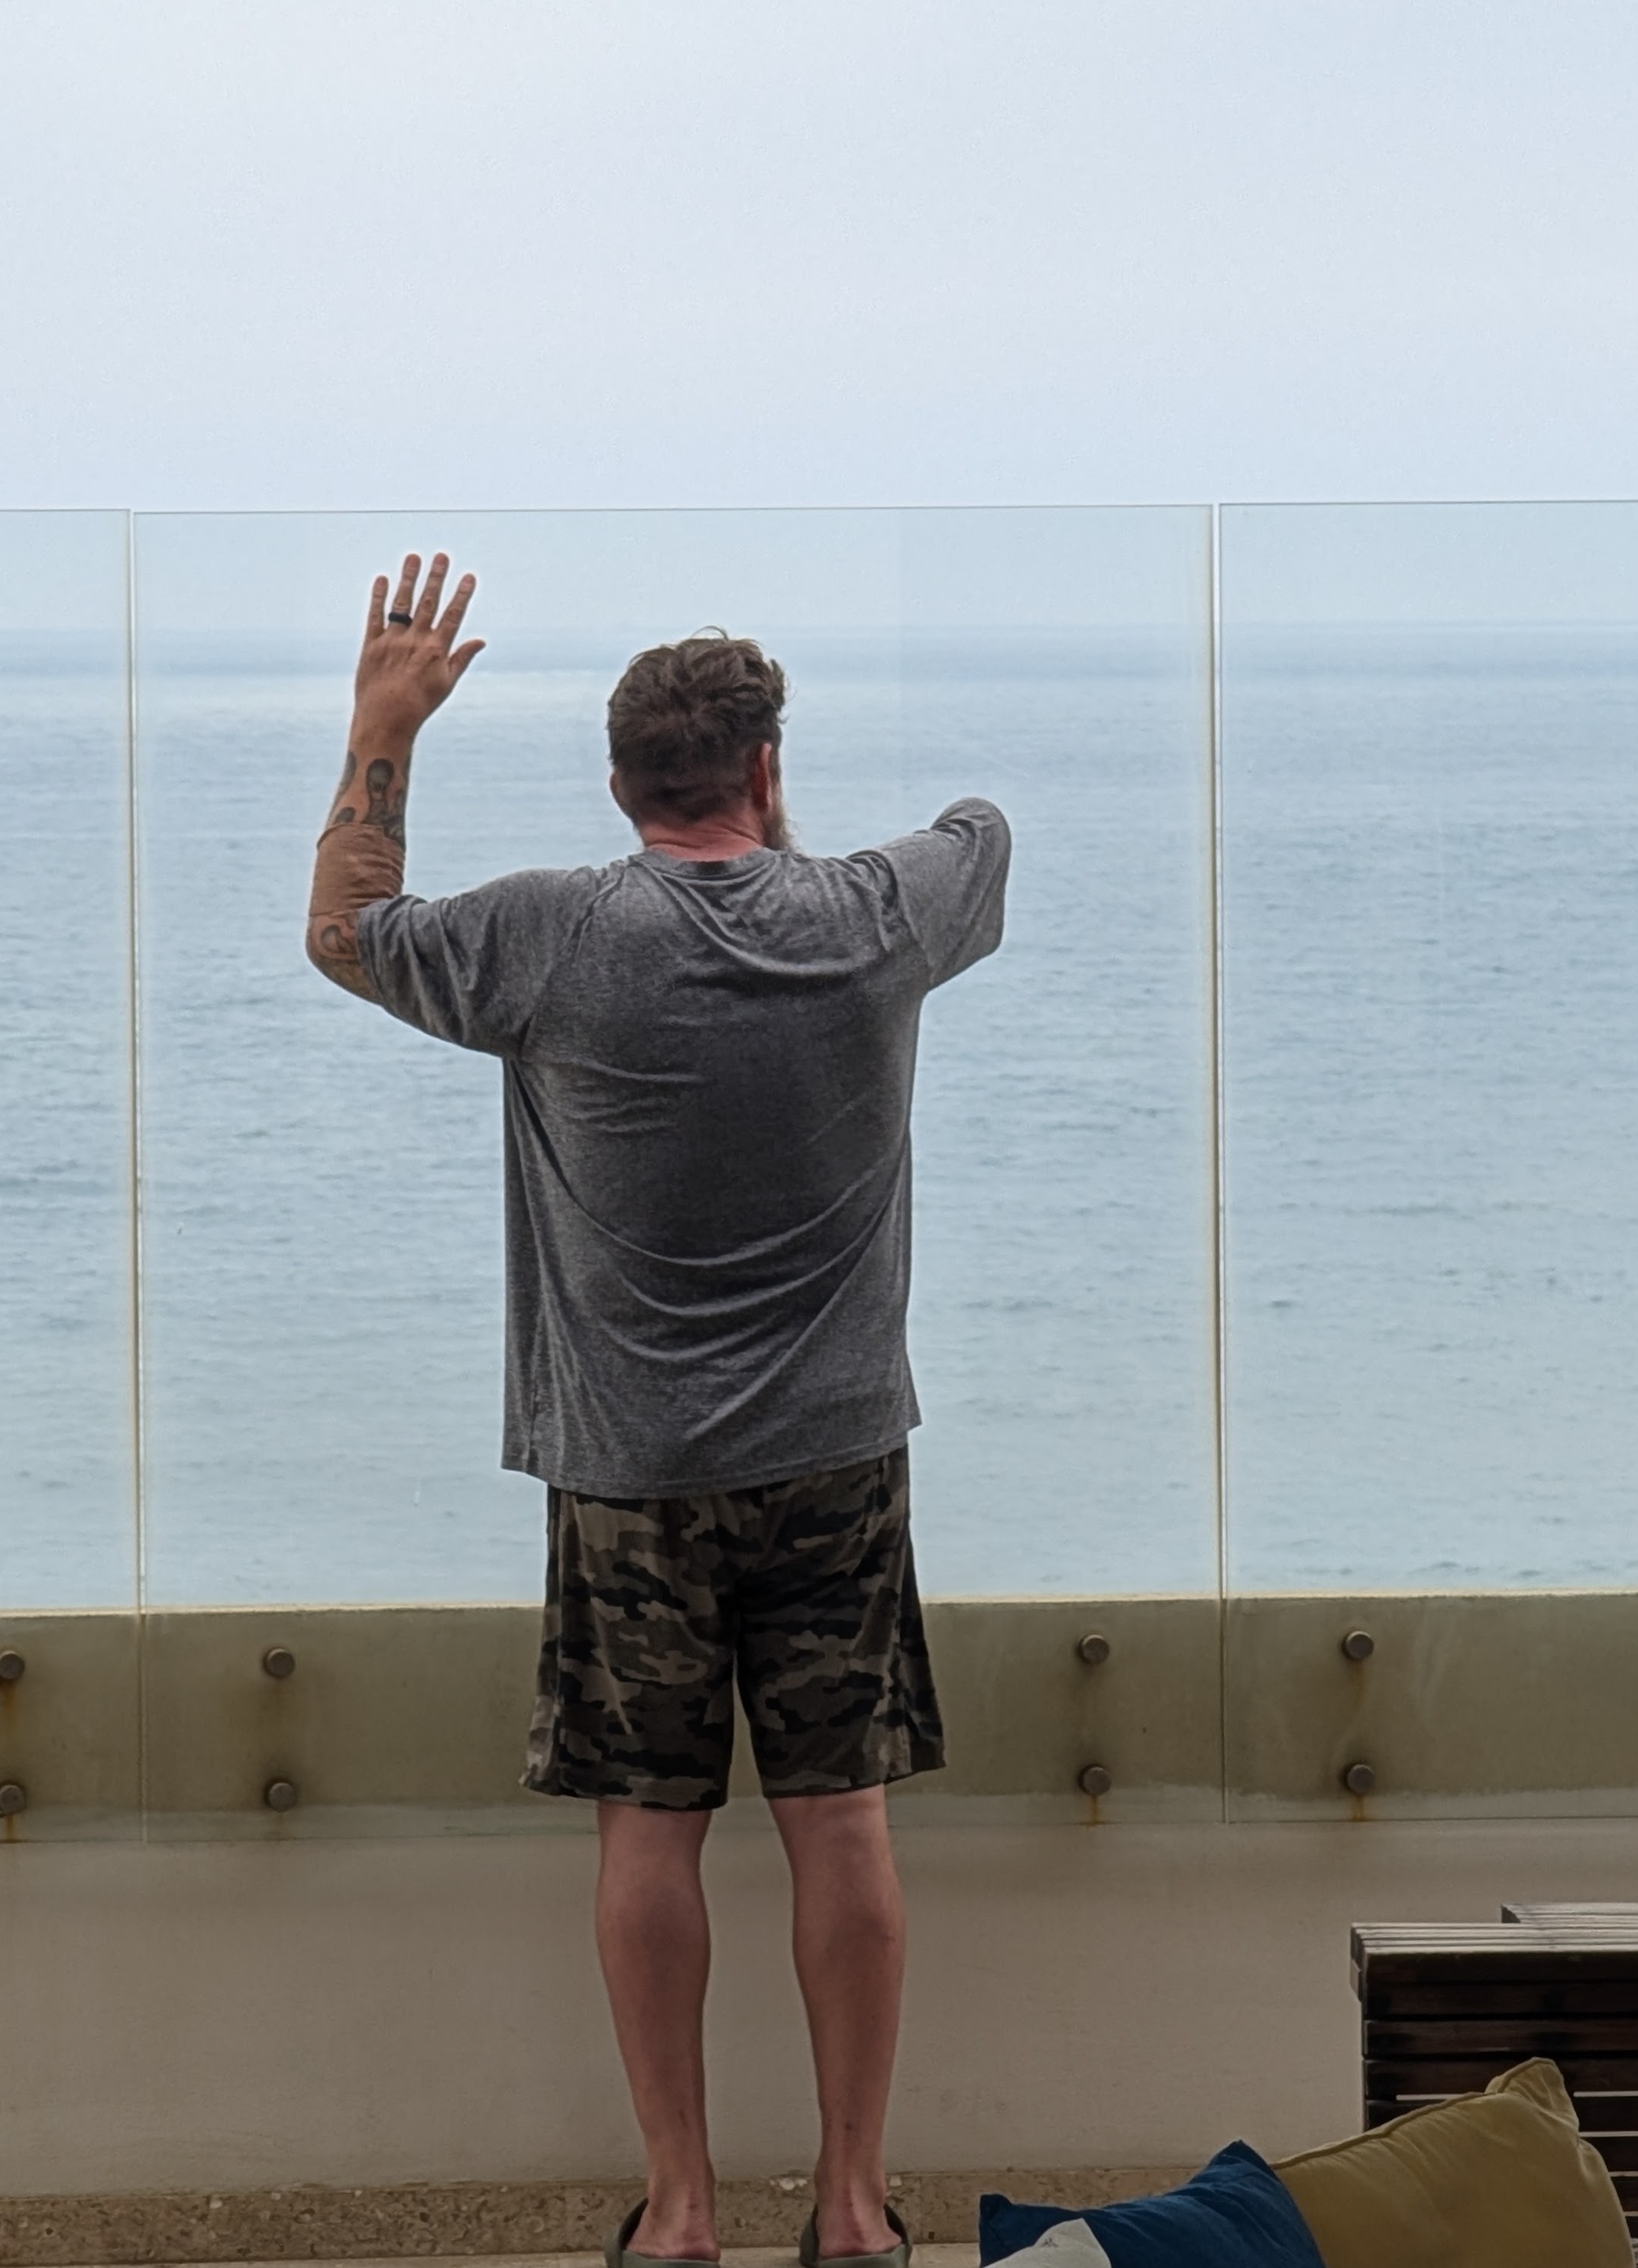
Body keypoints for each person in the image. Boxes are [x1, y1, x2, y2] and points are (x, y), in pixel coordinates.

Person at [304, 553, 1009, 2268]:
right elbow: (981, 830)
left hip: (626, 1476)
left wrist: (379, 727)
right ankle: (852, 2209)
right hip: (838, 1456)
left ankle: (682, 2210)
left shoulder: (551, 935)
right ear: (763, 772)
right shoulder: (873, 918)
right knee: (840, 1819)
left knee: (650, 1825)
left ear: (618, 790)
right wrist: (800, 846)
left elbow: (344, 931)